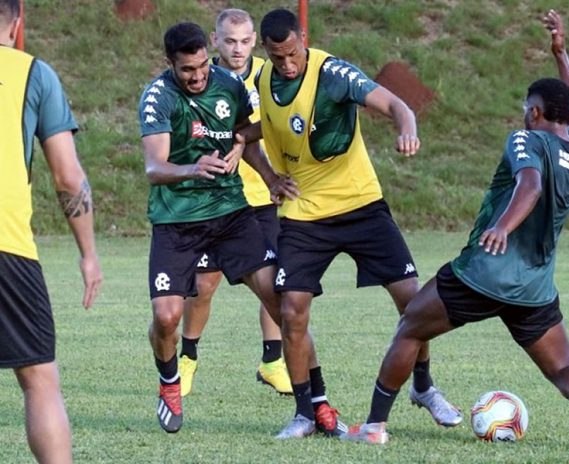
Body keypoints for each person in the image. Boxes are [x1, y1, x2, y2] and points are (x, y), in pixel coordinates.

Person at [344, 10, 569, 450]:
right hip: (535, 288)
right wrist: (562, 56)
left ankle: (373, 429)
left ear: (534, 112)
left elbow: (530, 184)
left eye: (525, 109)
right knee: (563, 368)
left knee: (410, 328)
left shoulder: (525, 139)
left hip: (482, 273)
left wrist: (501, 226)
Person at [257, 8, 462, 439]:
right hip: (304, 213)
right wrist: (270, 176)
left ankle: (423, 387)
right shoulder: (262, 83)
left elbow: (394, 104)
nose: (288, 64)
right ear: (268, 53)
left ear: (303, 38)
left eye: (293, 53)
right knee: (291, 311)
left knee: (414, 302)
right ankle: (304, 412)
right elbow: (244, 134)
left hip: (361, 204)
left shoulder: (332, 73)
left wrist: (407, 128)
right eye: (278, 58)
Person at [138, 21, 299, 433]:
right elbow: (154, 167)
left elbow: (250, 136)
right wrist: (195, 167)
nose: (196, 77)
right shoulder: (158, 96)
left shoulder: (228, 84)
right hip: (176, 221)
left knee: (282, 302)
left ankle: (311, 401)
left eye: (201, 68)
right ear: (170, 63)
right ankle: (170, 380)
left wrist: (267, 176)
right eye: (186, 70)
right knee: (166, 316)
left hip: (231, 214)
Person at [0, 0, 103, 462]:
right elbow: (67, 176)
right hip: (7, 248)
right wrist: (88, 253)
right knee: (39, 378)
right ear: (16, 23)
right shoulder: (33, 74)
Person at [178, 8, 291, 398]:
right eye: (229, 41)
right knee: (203, 286)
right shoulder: (200, 78)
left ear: (255, 41)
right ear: (215, 41)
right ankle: (187, 360)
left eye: (244, 41)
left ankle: (273, 362)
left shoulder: (268, 76)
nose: (237, 49)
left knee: (276, 283)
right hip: (216, 199)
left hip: (262, 199)